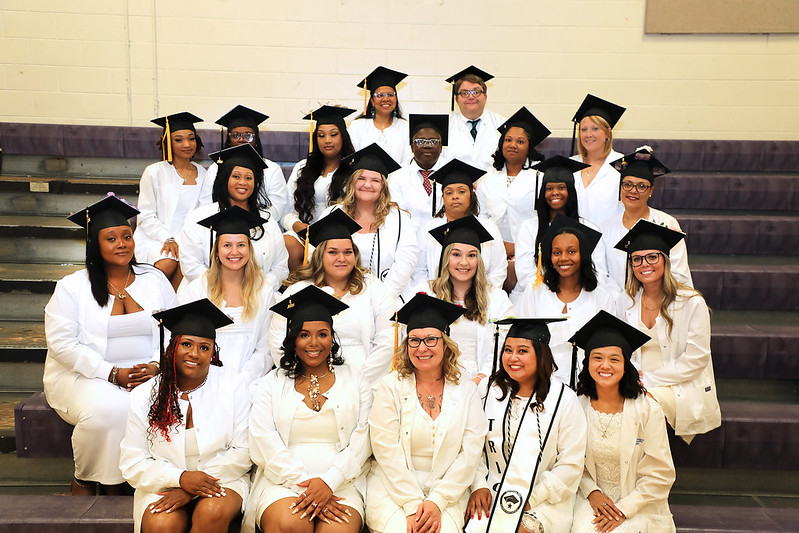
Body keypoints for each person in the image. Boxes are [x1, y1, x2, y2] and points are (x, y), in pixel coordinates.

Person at [44, 195, 176, 496]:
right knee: (110, 409)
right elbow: (62, 345)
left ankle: (133, 486)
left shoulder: (154, 279)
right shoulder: (72, 286)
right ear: (95, 245)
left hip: (149, 372)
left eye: (127, 236)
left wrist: (157, 366)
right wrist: (112, 373)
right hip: (86, 375)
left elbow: (175, 329)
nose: (122, 244)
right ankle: (88, 479)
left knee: (149, 403)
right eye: (111, 238)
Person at [245, 285, 372, 533]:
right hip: (282, 481)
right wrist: (308, 487)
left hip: (343, 482)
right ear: (293, 339)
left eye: (322, 334)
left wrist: (329, 482)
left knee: (338, 530)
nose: (314, 343)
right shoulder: (272, 383)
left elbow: (363, 438)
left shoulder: (356, 379)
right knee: (291, 523)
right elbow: (263, 441)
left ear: (332, 337)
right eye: (304, 335)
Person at [120, 299, 251, 533]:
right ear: (172, 347)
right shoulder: (144, 395)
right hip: (163, 482)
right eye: (187, 344)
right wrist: (180, 479)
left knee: (211, 511)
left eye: (204, 347)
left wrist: (194, 486)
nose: (194, 354)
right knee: (161, 523)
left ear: (213, 353)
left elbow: (243, 450)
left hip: (223, 477)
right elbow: (133, 462)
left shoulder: (235, 386)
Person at [366, 293, 489, 533]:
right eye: (414, 340)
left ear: (446, 343)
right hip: (393, 489)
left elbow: (470, 453)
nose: (422, 348)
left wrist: (437, 501)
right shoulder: (391, 386)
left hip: (448, 490)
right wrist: (413, 505)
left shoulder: (466, 391)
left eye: (431, 339)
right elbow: (385, 451)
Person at [464, 318, 587, 533]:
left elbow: (570, 464)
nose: (513, 358)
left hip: (544, 500)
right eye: (508, 350)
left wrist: (530, 499)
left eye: (522, 351)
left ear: (541, 355)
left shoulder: (563, 399)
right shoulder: (487, 390)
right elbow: (470, 445)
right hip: (490, 489)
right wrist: (478, 485)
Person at [571, 310, 676, 533]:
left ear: (625, 364)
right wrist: (592, 492)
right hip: (591, 498)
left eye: (614, 359)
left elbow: (661, 474)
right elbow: (570, 460)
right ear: (587, 363)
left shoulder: (648, 409)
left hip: (640, 502)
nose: (605, 366)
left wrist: (623, 509)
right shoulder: (576, 406)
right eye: (597, 358)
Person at [615, 221, 720, 443]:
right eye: (637, 259)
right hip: (638, 378)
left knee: (641, 404)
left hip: (677, 383)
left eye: (652, 257)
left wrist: (648, 380)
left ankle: (651, 471)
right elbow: (621, 348)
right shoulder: (624, 301)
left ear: (665, 260)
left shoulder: (691, 302)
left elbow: (696, 359)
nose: (645, 264)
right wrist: (635, 376)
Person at [271, 209, 397, 388]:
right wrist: (303, 379)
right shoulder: (298, 291)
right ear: (320, 255)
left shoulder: (373, 288)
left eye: (348, 252)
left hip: (366, 379)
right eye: (333, 252)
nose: (342, 258)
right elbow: (278, 340)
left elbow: (387, 340)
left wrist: (358, 382)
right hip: (308, 382)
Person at [517, 215, 616, 388]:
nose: (563, 258)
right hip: (542, 383)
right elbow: (522, 337)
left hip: (589, 385)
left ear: (583, 255)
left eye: (571, 251)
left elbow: (610, 345)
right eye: (557, 252)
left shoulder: (601, 298)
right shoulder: (536, 292)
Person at [180, 206, 276, 383]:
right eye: (227, 245)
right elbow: (187, 342)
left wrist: (243, 380)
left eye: (241, 245)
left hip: (250, 382)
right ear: (216, 250)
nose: (234, 252)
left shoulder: (263, 290)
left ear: (249, 249)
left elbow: (265, 348)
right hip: (204, 381)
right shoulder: (198, 289)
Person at [179, 144, 289, 290]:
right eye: (236, 176)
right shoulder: (198, 218)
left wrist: (258, 288)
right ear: (224, 179)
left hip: (258, 294)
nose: (243, 182)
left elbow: (280, 268)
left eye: (248, 177)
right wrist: (228, 288)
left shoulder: (268, 221)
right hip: (209, 293)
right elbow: (191, 266)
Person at [419, 215, 514, 383]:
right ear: (446, 258)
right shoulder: (426, 295)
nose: (464, 262)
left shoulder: (497, 298)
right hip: (436, 383)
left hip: (483, 385)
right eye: (456, 254)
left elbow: (503, 346)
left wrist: (480, 380)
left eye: (471, 255)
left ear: (479, 260)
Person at [318, 143, 417, 299]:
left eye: (375, 181)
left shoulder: (400, 219)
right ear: (352, 182)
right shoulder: (331, 214)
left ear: (383, 186)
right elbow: (317, 258)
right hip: (337, 296)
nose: (367, 185)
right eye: (361, 178)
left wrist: (381, 300)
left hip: (388, 297)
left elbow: (405, 264)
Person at [514, 156, 613, 304]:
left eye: (561, 187)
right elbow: (525, 275)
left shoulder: (589, 228)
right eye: (549, 188)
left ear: (570, 192)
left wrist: (574, 296)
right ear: (543, 193)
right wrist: (553, 297)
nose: (555, 192)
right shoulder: (529, 228)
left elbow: (598, 273)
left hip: (583, 298)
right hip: (539, 299)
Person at [475, 107, 551, 291]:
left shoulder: (540, 179)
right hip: (492, 250)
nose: (512, 145)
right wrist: (500, 246)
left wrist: (518, 247)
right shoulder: (487, 179)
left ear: (529, 147)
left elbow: (545, 219)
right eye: (508, 140)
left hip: (530, 252)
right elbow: (482, 219)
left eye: (520, 141)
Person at [599, 147, 693, 289]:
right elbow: (602, 274)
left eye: (641, 186)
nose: (633, 191)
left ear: (651, 191)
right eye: (628, 184)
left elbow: (679, 274)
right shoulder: (606, 228)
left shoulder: (667, 223)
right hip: (615, 304)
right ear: (621, 187)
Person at [135, 112, 207, 290]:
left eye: (191, 139)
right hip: (156, 237)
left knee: (187, 265)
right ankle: (147, 304)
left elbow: (204, 213)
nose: (187, 144)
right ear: (167, 142)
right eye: (178, 140)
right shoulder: (154, 172)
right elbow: (145, 215)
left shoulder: (205, 174)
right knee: (168, 262)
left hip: (189, 239)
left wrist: (187, 242)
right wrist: (167, 238)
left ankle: (173, 310)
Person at [412, 159, 508, 289]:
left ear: (471, 196)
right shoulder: (428, 229)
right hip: (436, 297)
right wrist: (434, 295)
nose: (455, 196)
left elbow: (498, 271)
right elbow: (419, 271)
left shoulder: (489, 228)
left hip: (478, 301)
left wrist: (480, 297)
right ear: (443, 198)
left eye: (461, 191)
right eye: (449, 192)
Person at [282, 105, 357, 271]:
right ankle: (297, 292)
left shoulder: (354, 171)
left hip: (339, 236)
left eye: (333, 134)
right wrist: (297, 226)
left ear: (343, 137)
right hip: (305, 235)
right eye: (321, 135)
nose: (327, 140)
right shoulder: (303, 167)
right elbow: (287, 211)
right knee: (288, 243)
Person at [200, 104, 289, 223]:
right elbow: (206, 205)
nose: (241, 139)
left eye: (248, 136)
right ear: (229, 139)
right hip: (222, 226)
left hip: (262, 227)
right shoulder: (216, 168)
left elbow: (277, 209)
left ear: (256, 139)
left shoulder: (271, 169)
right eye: (236, 135)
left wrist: (246, 221)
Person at [570, 95, 626, 225]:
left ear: (607, 133)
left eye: (595, 129)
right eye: (584, 129)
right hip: (577, 241)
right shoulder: (570, 165)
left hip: (610, 240)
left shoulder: (623, 165)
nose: (588, 134)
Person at [389, 113, 450, 228]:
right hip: (408, 237)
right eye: (420, 141)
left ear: (441, 147)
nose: (427, 146)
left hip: (445, 236)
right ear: (412, 147)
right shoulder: (397, 175)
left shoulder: (452, 171)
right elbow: (395, 215)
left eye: (433, 142)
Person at [445, 66, 506, 170]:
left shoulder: (502, 124)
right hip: (457, 183)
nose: (471, 97)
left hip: (492, 183)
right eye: (465, 93)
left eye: (476, 92)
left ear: (485, 97)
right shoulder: (445, 125)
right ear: (456, 99)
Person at [349, 66, 411, 165]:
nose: (385, 99)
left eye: (390, 95)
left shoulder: (405, 127)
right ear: (372, 101)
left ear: (396, 98)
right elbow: (353, 159)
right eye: (379, 95)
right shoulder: (357, 126)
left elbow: (407, 162)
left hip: (397, 179)